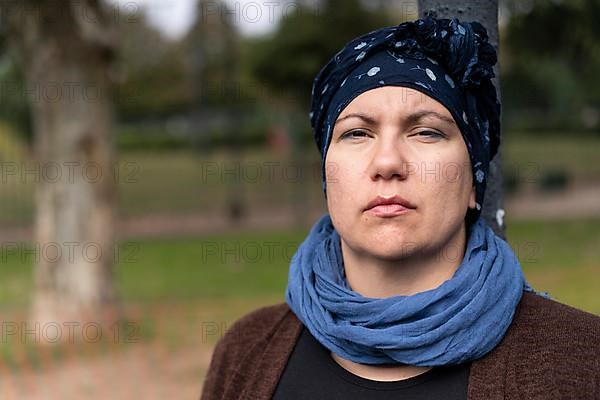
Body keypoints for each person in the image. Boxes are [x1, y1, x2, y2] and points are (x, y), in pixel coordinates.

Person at [200, 15, 600, 400]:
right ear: (327, 177)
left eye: (426, 131)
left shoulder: (580, 360)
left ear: (474, 182)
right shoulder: (246, 352)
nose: (387, 162)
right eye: (357, 132)